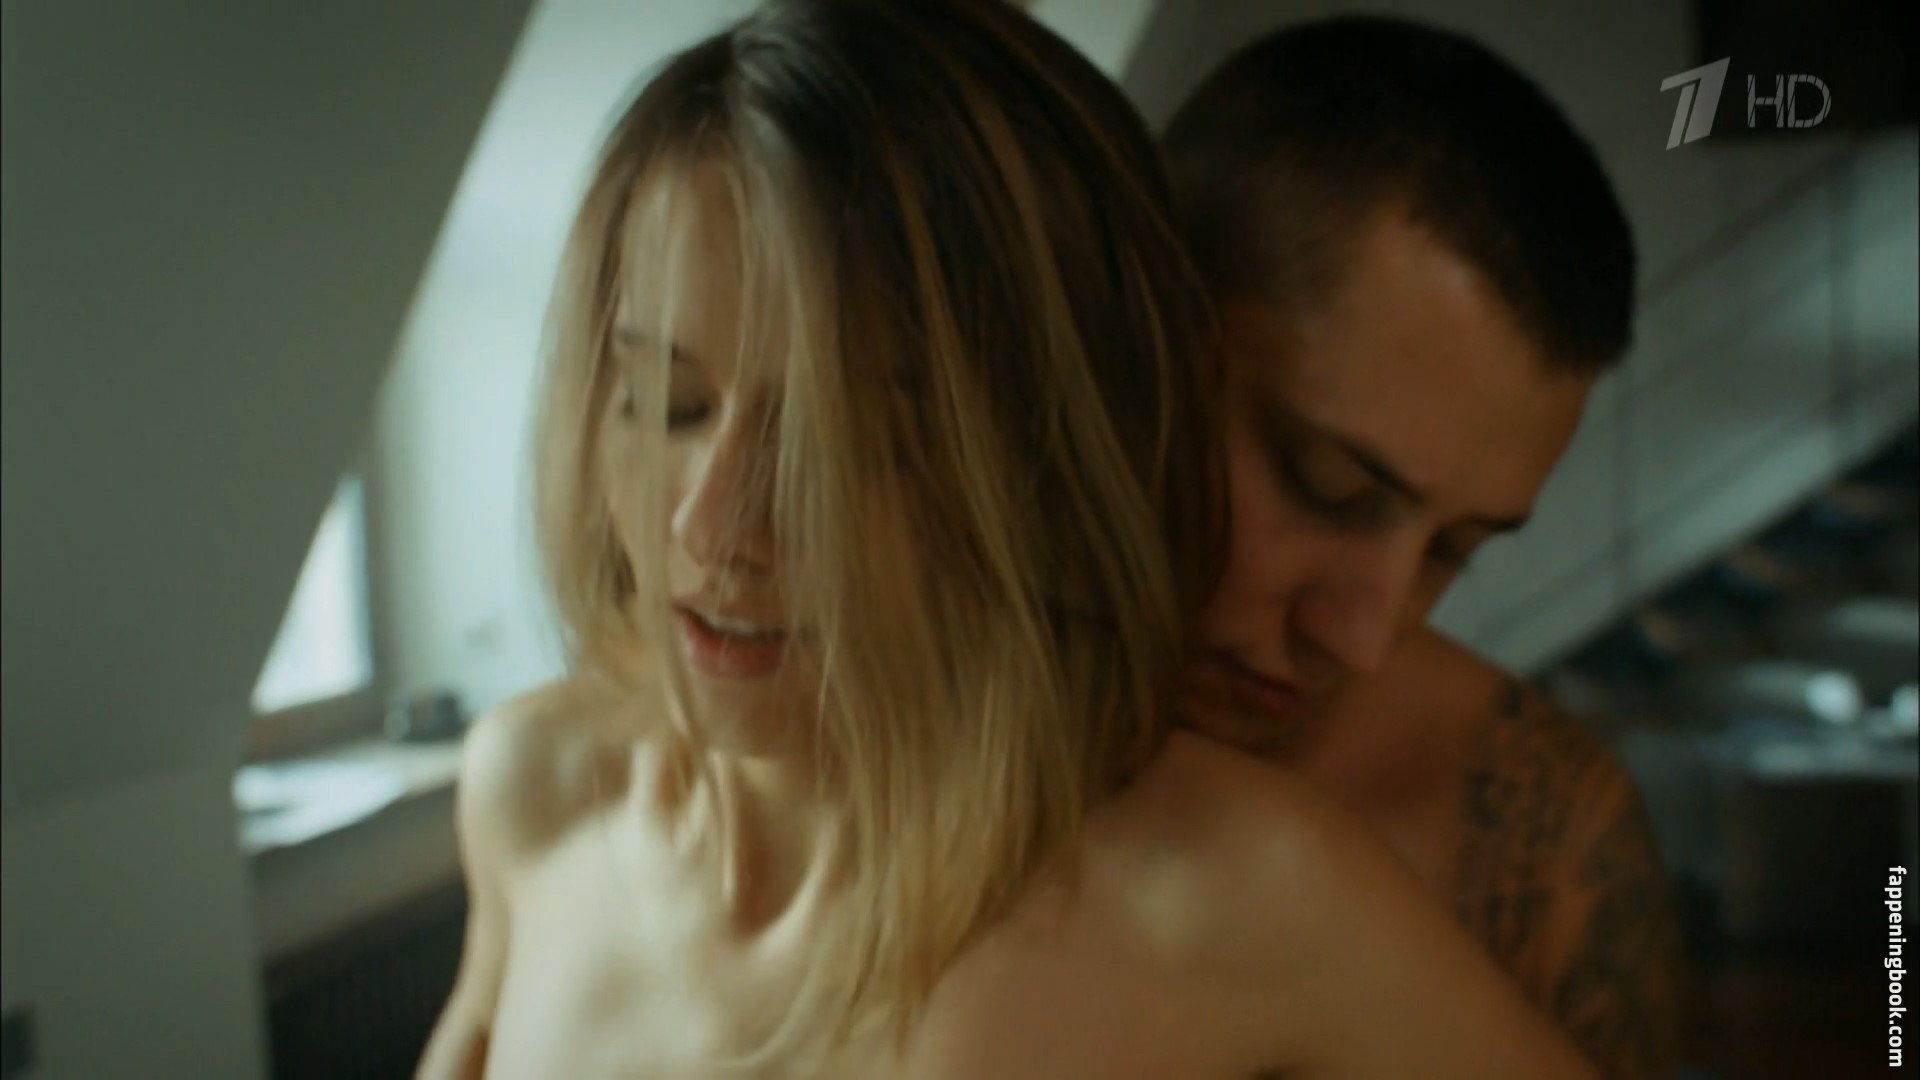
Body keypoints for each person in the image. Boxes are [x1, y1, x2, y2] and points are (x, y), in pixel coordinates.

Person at [418, 1, 1595, 1076]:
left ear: (1045, 470)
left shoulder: (1240, 892)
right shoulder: (532, 791)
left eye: (852, 444)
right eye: (665, 403)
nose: (710, 528)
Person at [1163, 16, 1686, 1077]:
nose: (1364, 639)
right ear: (1138, 330)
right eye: (1331, 487)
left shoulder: (1546, 850)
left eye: (1458, 549)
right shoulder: (854, 711)